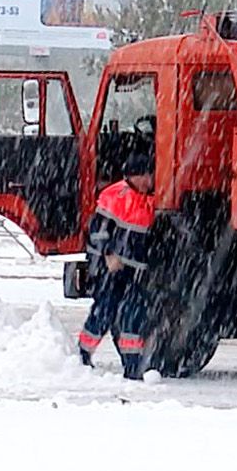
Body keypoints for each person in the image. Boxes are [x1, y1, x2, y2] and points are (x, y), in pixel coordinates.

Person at [78, 153, 155, 379]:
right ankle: (82, 356)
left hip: (136, 269)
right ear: (137, 177)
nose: (150, 181)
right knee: (104, 311)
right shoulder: (115, 196)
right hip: (112, 267)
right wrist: (108, 254)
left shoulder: (151, 198)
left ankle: (132, 367)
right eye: (147, 177)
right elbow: (97, 231)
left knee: (133, 316)